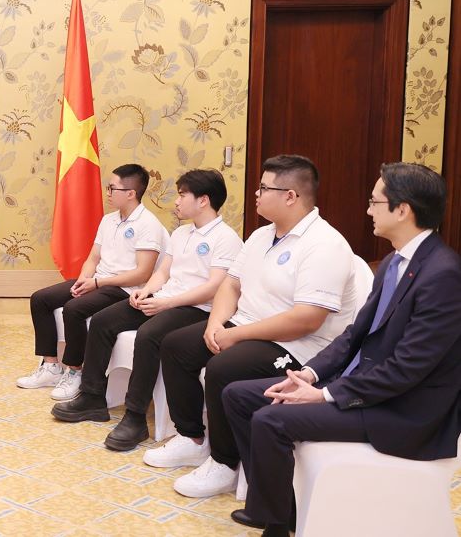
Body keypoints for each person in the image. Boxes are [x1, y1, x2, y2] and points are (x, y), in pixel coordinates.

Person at [223, 162, 461, 537]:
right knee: (238, 396)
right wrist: (310, 374)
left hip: (403, 409)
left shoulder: (443, 274)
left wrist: (325, 395)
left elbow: (408, 368)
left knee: (271, 419)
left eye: (374, 202)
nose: (368, 210)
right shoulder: (394, 262)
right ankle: (280, 508)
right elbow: (355, 335)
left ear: (402, 210)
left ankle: (276, 527)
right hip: (369, 386)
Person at [144, 155, 360, 500]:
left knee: (223, 367)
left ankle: (224, 463)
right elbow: (231, 284)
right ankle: (192, 437)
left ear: (290, 196)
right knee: (176, 345)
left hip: (296, 345)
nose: (256, 194)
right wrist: (215, 323)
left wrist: (235, 334)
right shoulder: (261, 235)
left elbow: (306, 319)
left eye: (263, 188)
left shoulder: (325, 244)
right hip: (245, 325)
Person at [50, 169, 243, 453]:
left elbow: (215, 287)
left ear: (203, 200)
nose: (176, 201)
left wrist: (167, 303)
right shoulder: (181, 232)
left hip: (197, 308)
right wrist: (147, 291)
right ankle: (92, 396)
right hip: (165, 299)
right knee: (103, 321)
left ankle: (135, 416)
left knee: (149, 335)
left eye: (182, 195)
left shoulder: (226, 238)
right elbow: (163, 272)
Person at [17, 164, 168, 401]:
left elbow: (142, 274)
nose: (108, 193)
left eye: (112, 188)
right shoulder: (108, 220)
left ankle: (75, 371)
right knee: (41, 299)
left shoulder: (148, 224)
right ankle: (51, 367)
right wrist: (84, 279)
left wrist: (97, 283)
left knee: (74, 309)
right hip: (98, 280)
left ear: (131, 193)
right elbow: (93, 258)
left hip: (123, 288)